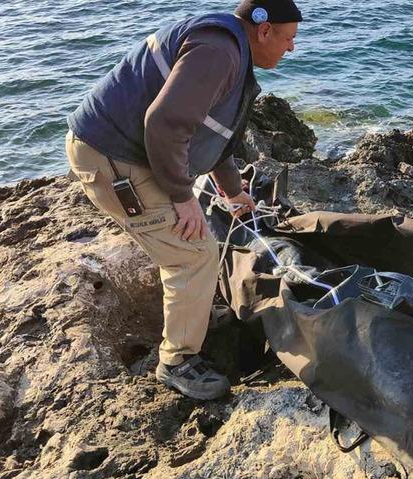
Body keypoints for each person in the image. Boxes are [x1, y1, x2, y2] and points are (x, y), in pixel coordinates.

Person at [64, 0, 302, 400]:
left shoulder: (226, 44)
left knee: (192, 241)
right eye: (289, 38)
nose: (292, 47)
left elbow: (210, 132)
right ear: (264, 31)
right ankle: (177, 361)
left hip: (126, 151)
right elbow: (164, 124)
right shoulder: (219, 53)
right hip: (111, 158)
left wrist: (232, 191)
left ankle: (195, 313)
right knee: (191, 253)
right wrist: (181, 195)